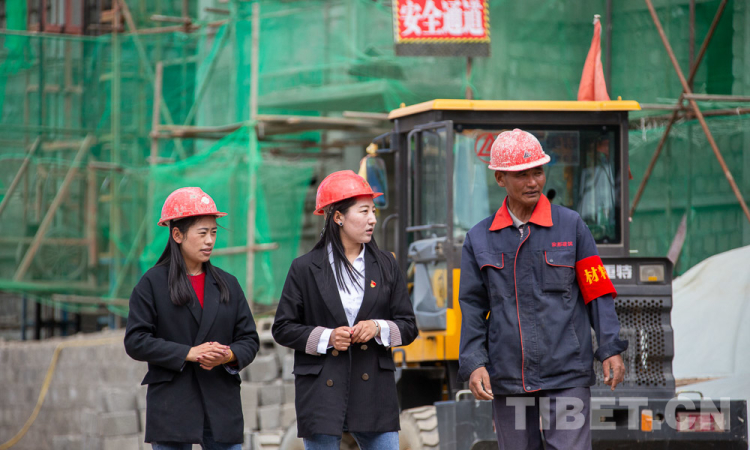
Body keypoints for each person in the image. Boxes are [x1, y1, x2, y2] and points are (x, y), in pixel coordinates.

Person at [457, 129, 628, 450]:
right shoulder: (478, 239)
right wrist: (474, 362)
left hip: (566, 373)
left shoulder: (571, 226)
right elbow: (472, 307)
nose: (533, 182)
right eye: (521, 175)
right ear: (500, 178)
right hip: (508, 375)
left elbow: (597, 291)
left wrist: (610, 347)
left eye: (537, 172)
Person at [272, 170, 418, 450]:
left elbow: (409, 326)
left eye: (373, 211)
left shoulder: (386, 265)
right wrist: (327, 337)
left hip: (374, 390)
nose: (373, 219)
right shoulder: (305, 268)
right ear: (338, 217)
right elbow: (282, 328)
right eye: (364, 211)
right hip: (321, 390)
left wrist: (378, 327)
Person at [125, 187, 259, 450]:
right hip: (172, 404)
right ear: (177, 234)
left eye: (214, 232)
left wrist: (228, 356)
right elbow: (136, 341)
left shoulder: (228, 284)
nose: (209, 241)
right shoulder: (152, 284)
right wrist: (189, 353)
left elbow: (249, 339)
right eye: (202, 233)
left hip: (221, 402)